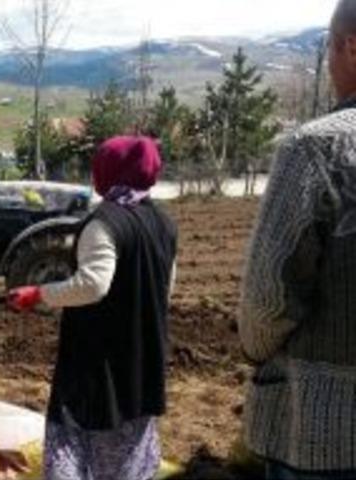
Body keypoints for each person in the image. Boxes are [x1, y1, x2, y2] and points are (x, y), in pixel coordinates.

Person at [8, 136, 177, 480]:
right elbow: (166, 286)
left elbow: (93, 285)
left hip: (98, 362)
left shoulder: (103, 223)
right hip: (143, 356)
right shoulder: (163, 223)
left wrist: (39, 294)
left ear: (108, 172)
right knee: (129, 446)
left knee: (76, 435)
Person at [239, 2, 356, 478]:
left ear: (351, 47)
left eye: (329, 49)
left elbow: (268, 299)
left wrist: (255, 347)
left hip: (328, 433)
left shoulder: (317, 148)